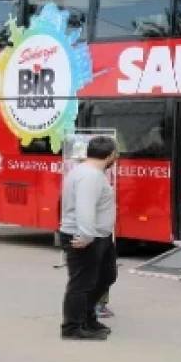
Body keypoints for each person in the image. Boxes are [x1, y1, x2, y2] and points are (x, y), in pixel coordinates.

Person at [58, 136, 119, 340]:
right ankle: (73, 327)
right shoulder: (89, 176)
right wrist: (85, 235)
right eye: (115, 155)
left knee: (106, 276)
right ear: (110, 155)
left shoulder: (89, 173)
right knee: (82, 284)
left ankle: (87, 318)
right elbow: (85, 207)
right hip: (86, 237)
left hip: (98, 236)